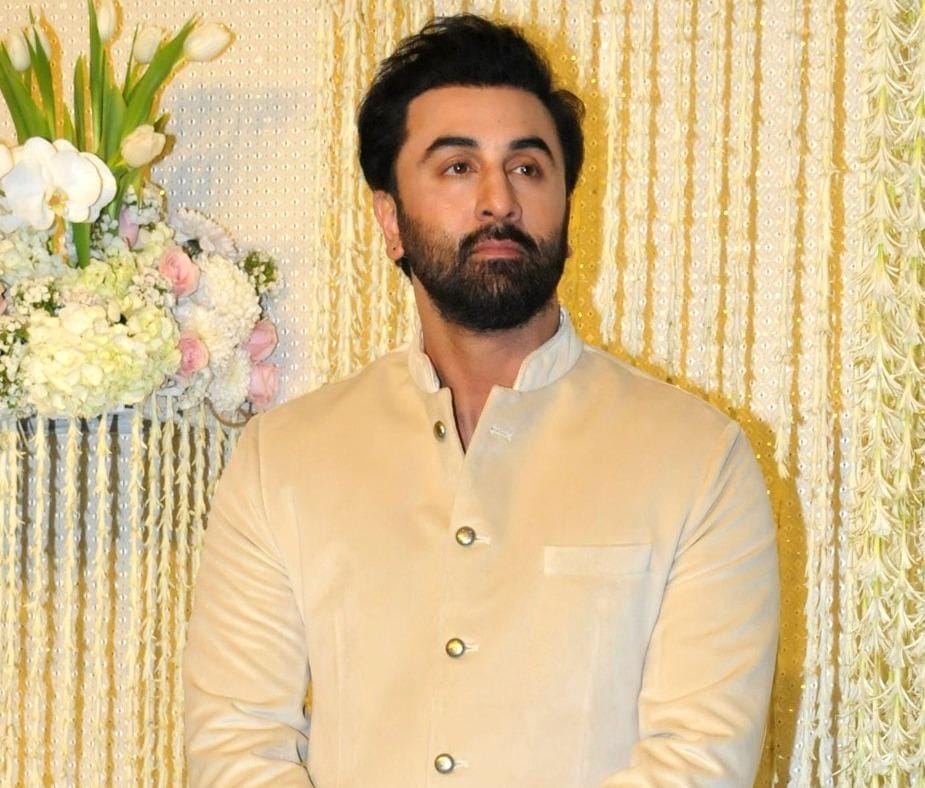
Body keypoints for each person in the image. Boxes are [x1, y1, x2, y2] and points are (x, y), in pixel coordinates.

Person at [183, 14, 779, 787]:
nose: (499, 200)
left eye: (527, 168)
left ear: (567, 204)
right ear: (390, 220)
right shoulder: (283, 460)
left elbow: (697, 761)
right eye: (457, 167)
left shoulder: (695, 459)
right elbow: (237, 744)